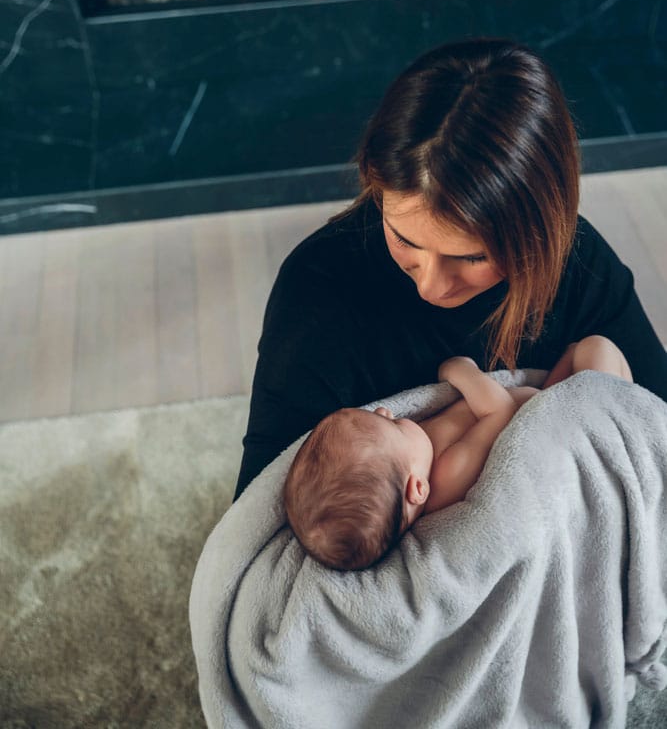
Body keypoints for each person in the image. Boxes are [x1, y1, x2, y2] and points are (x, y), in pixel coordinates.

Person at [234, 39, 667, 500]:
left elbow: (653, 433)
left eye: (472, 257)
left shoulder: (577, 264)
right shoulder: (318, 291)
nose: (430, 285)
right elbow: (265, 507)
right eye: (405, 239)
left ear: (539, 233)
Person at [283, 335, 633, 570]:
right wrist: (460, 371)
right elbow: (500, 410)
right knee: (595, 350)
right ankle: (631, 430)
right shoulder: (448, 471)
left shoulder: (417, 455)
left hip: (545, 400)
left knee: (578, 352)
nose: (386, 412)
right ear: (415, 487)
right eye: (390, 425)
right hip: (564, 427)